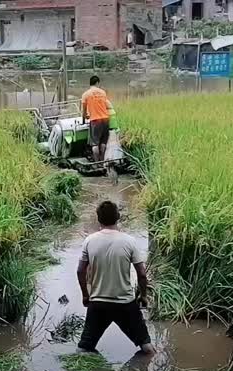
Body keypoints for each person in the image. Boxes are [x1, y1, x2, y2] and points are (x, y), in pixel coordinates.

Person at [76, 201, 156, 355]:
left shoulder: (89, 241)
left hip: (98, 303)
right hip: (125, 304)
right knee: (147, 349)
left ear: (98, 219)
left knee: (83, 349)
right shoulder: (129, 241)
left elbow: (80, 271)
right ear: (118, 217)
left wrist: (86, 295)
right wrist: (143, 296)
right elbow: (142, 274)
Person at [81, 76, 111, 163]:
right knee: (103, 142)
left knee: (95, 143)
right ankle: (103, 161)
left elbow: (84, 111)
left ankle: (97, 162)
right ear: (97, 83)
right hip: (105, 119)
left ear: (90, 83)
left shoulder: (86, 94)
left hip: (95, 120)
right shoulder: (103, 92)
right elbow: (105, 105)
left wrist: (83, 120)